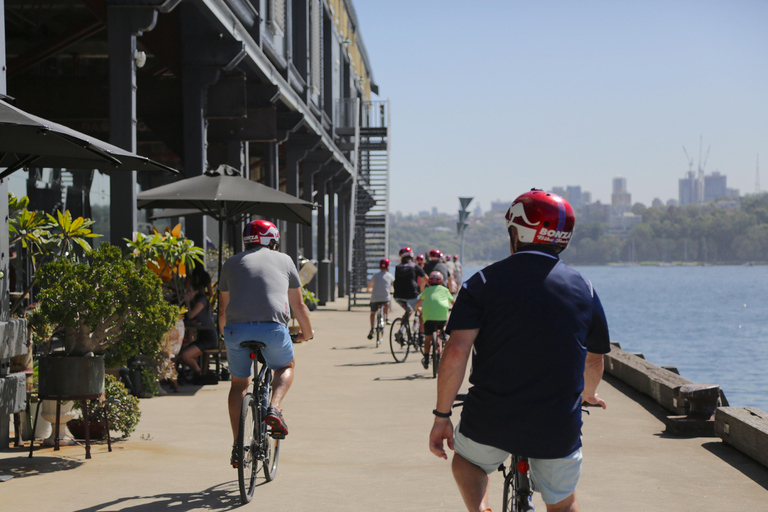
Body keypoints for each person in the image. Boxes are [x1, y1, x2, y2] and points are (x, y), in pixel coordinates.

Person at [428, 189, 611, 512]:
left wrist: (442, 417)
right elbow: (593, 359)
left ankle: (481, 508)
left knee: (467, 462)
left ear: (518, 233)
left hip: (490, 419)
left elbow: (456, 351)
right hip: (556, 426)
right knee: (564, 503)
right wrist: (588, 395)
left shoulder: (482, 283)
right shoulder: (585, 288)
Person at [219, 220, 313, 468]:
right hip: (272, 329)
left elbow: (222, 309)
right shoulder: (284, 260)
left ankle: (238, 446)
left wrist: (226, 338)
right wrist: (307, 333)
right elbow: (298, 305)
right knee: (285, 365)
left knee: (239, 384)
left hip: (234, 331)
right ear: (272, 240)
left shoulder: (230, 263)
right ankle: (274, 407)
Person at [178, 269, 218, 384]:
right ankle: (199, 373)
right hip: (202, 336)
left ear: (196, 291)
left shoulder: (201, 301)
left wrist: (187, 302)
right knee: (181, 355)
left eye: (190, 291)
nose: (187, 293)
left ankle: (199, 373)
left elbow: (190, 315)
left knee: (186, 355)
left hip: (209, 337)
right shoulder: (198, 300)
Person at [415, 271, 454, 370]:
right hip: (441, 316)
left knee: (428, 338)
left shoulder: (426, 290)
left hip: (428, 317)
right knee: (443, 322)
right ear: (441, 281)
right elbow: (453, 303)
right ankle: (444, 334)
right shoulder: (445, 290)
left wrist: (418, 309)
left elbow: (418, 303)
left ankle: (427, 358)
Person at [393, 246, 426, 324]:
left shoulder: (397, 267)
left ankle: (401, 329)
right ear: (411, 255)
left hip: (398, 296)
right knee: (422, 310)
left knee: (409, 310)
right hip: (411, 296)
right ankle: (421, 333)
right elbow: (426, 279)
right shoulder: (414, 266)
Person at [366, 258, 395, 339]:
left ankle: (372, 328)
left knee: (372, 313)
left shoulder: (375, 275)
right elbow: (394, 284)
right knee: (387, 303)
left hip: (375, 298)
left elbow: (370, 285)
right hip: (385, 297)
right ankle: (387, 317)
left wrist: (368, 289)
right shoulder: (389, 276)